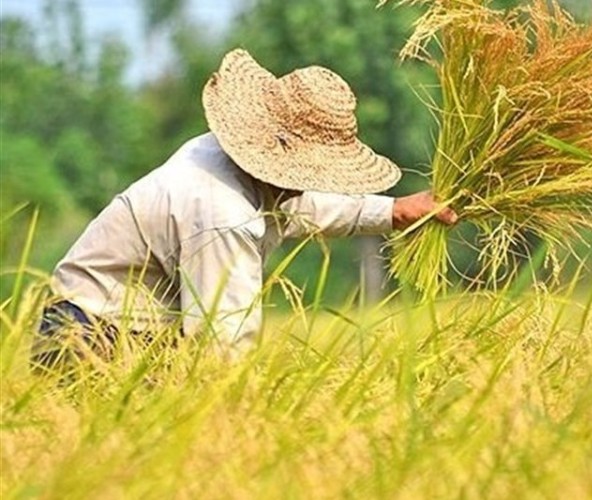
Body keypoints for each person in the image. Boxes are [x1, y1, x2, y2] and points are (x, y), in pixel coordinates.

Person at [32, 48, 457, 367]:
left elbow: (301, 207)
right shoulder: (223, 215)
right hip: (90, 338)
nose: (310, 184)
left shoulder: (221, 155)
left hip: (127, 330)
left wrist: (394, 211)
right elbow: (223, 347)